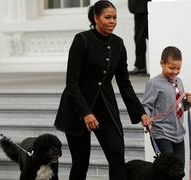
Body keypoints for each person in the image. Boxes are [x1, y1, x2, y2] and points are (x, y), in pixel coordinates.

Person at [54, 1, 151, 180]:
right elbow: (72, 82)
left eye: (114, 17)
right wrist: (86, 113)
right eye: (107, 17)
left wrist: (140, 113)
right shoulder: (81, 40)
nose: (112, 21)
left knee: (116, 157)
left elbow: (124, 84)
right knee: (81, 162)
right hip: (78, 108)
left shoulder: (118, 44)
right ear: (96, 18)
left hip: (105, 107)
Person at [141, 46, 191, 168]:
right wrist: (146, 118)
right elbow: (146, 105)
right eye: (171, 68)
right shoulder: (154, 83)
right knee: (168, 170)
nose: (175, 72)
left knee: (180, 169)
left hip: (179, 134)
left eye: (178, 68)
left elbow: (180, 107)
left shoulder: (179, 82)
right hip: (162, 134)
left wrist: (189, 102)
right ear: (162, 63)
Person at [128, 0, 151, 76]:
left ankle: (140, 67)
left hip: (142, 7)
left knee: (140, 37)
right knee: (140, 37)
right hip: (141, 7)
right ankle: (140, 66)